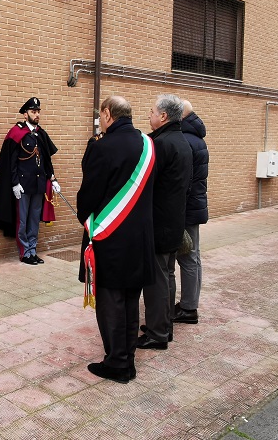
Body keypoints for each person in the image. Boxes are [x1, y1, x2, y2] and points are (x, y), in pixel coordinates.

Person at [77, 95, 156, 383]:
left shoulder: (103, 146)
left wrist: (84, 217)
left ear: (108, 114)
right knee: (131, 301)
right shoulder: (148, 144)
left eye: (101, 114)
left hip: (110, 238)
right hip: (140, 238)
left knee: (110, 301)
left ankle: (117, 363)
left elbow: (89, 194)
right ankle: (128, 358)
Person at [138, 94, 192, 350]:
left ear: (163, 116)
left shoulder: (160, 144)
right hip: (173, 219)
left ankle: (157, 333)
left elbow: (147, 183)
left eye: (151, 112)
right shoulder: (181, 141)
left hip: (159, 221)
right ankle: (164, 324)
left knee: (156, 278)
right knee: (168, 273)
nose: (148, 116)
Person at [0, 97, 60, 264]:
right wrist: (15, 183)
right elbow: (11, 162)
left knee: (34, 219)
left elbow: (45, 160)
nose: (36, 115)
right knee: (22, 220)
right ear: (25, 114)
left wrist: (53, 178)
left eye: (38, 112)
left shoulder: (40, 134)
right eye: (33, 112)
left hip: (38, 185)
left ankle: (32, 250)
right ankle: (24, 253)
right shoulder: (17, 133)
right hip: (23, 185)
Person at [172, 100, 209, 325]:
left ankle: (188, 308)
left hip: (185, 208)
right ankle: (190, 303)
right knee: (193, 257)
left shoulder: (185, 140)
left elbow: (183, 182)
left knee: (187, 257)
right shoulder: (197, 137)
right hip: (194, 205)